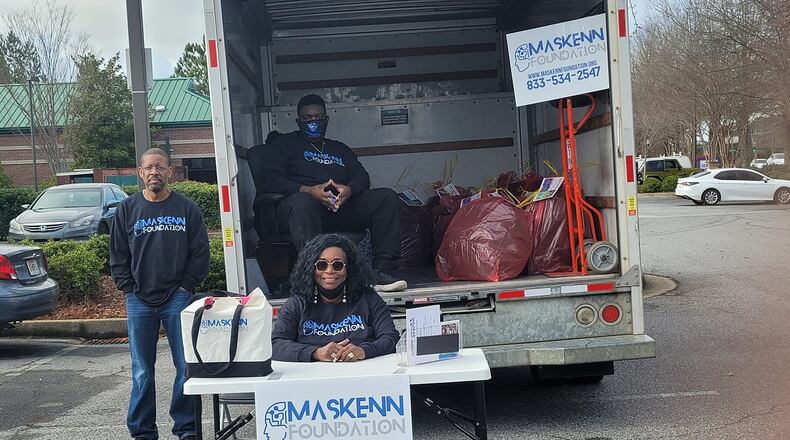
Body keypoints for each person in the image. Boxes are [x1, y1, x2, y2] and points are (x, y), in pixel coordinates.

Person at [110, 148, 210, 440]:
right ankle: (142, 431)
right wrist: (127, 287)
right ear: (140, 173)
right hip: (138, 300)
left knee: (186, 368)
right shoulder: (127, 209)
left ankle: (187, 428)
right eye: (149, 168)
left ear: (170, 172)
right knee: (142, 371)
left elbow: (200, 253)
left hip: (177, 298)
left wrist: (185, 285)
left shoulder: (187, 209)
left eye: (160, 167)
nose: (155, 172)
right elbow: (117, 253)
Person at [260, 93, 406, 292]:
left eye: (318, 117)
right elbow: (269, 179)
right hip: (302, 210)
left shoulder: (339, 149)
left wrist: (348, 190)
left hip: (339, 207)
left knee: (386, 197)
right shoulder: (284, 145)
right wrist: (309, 190)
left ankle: (379, 272)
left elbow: (361, 175)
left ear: (326, 119)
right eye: (307, 118)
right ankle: (312, 276)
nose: (313, 122)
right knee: (301, 203)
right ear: (298, 120)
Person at [272, 234, 400, 362]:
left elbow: (391, 337)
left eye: (337, 265)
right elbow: (275, 345)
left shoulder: (368, 298)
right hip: (312, 377)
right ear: (310, 268)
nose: (329, 271)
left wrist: (364, 351)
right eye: (322, 265)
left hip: (361, 375)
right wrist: (316, 353)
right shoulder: (297, 304)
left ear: (349, 268)